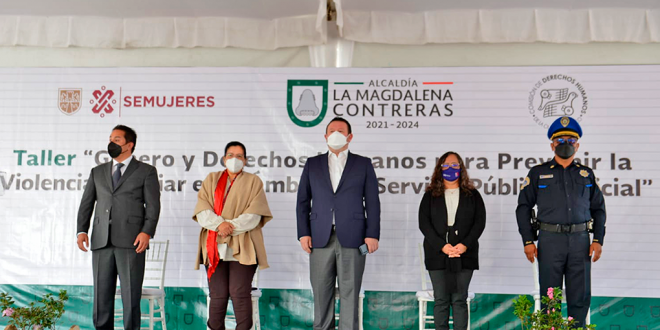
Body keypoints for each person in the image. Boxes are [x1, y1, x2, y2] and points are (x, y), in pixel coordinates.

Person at [516, 116, 606, 327]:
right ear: (552, 144)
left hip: (580, 242)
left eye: (570, 140)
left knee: (580, 296)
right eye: (560, 140)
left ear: (578, 145)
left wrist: (598, 239)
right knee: (550, 298)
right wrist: (528, 241)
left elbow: (599, 209)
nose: (566, 144)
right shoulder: (538, 173)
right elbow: (523, 208)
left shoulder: (586, 174)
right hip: (550, 241)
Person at [296, 117, 380, 330]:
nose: (335, 134)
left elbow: (372, 202)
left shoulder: (363, 163)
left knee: (350, 292)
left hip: (354, 237)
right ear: (325, 136)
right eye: (331, 130)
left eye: (340, 130)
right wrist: (303, 233)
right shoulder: (312, 164)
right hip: (319, 236)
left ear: (350, 136)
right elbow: (303, 201)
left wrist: (372, 234)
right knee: (321, 292)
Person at [76, 125, 161, 330]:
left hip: (132, 241)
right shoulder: (97, 171)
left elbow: (153, 205)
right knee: (102, 295)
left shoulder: (146, 171)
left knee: (131, 295)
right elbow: (87, 202)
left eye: (117, 140)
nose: (111, 143)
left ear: (129, 145)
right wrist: (81, 230)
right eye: (110, 139)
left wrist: (147, 231)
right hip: (101, 240)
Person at [192, 141, 273, 330]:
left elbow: (254, 215)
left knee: (239, 293)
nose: (234, 159)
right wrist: (220, 224)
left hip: (244, 245)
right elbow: (202, 210)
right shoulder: (211, 179)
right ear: (223, 159)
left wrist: (229, 227)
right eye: (230, 155)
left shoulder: (254, 181)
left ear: (245, 160)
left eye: (239, 156)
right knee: (217, 294)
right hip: (213, 245)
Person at [418, 151, 486, 330]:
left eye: (454, 165)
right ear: (440, 168)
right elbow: (424, 224)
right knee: (441, 299)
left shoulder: (472, 194)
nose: (450, 168)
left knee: (459, 299)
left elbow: (480, 222)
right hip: (437, 253)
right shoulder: (430, 195)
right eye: (446, 165)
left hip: (465, 253)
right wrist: (443, 246)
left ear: (461, 168)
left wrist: (464, 245)